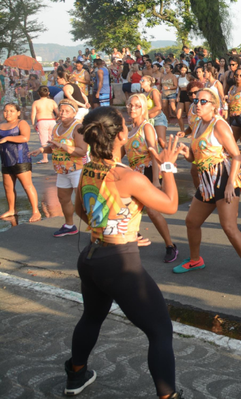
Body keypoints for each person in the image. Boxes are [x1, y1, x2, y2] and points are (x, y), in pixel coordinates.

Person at [65, 107, 184, 398]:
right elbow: (169, 204)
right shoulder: (127, 176)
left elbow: (80, 208)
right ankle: (168, 395)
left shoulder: (88, 168)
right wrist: (167, 166)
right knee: (160, 331)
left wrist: (112, 231)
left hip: (92, 258)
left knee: (92, 317)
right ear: (122, 135)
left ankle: (76, 375)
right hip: (120, 265)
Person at [171, 89, 241, 289]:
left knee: (229, 227)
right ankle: (195, 260)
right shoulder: (196, 125)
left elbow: (236, 155)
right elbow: (195, 159)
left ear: (214, 105)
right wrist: (186, 153)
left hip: (222, 179)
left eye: (203, 101)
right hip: (206, 182)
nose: (198, 104)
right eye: (196, 100)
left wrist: (230, 184)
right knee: (192, 222)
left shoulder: (219, 124)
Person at [125, 94, 179, 261]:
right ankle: (132, 237)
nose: (132, 108)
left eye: (137, 106)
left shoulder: (146, 127)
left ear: (144, 108)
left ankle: (170, 245)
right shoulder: (128, 129)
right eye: (130, 105)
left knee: (153, 212)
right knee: (126, 209)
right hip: (134, 175)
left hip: (148, 172)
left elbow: (154, 154)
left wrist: (156, 180)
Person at [30, 101, 88, 237]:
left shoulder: (78, 127)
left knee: (83, 202)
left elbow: (81, 151)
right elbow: (54, 146)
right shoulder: (57, 127)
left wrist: (61, 146)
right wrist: (42, 149)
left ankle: (97, 229)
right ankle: (69, 225)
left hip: (77, 169)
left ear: (74, 113)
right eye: (61, 110)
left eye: (67, 111)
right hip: (62, 169)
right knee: (63, 198)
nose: (63, 113)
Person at [0, 103, 40, 222]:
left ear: (18, 113)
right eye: (6, 111)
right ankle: (12, 209)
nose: (8, 113)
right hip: (6, 160)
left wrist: (7, 138)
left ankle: (36, 211)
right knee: (8, 187)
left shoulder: (21, 123)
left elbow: (24, 138)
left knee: (27, 185)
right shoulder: (1, 125)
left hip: (20, 159)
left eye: (12, 111)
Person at [30, 86, 58, 163]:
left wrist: (33, 124)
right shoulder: (52, 102)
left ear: (38, 93)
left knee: (44, 140)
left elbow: (33, 115)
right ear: (48, 93)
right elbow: (58, 112)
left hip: (41, 121)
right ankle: (56, 156)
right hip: (52, 121)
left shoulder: (36, 102)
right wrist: (57, 118)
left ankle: (45, 158)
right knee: (53, 139)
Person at [140, 76, 168, 147]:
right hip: (147, 119)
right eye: (140, 80)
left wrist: (145, 113)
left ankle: (172, 153)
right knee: (149, 141)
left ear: (149, 82)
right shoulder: (143, 93)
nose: (140, 82)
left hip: (158, 118)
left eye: (143, 80)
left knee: (161, 141)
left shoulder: (154, 92)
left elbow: (158, 106)